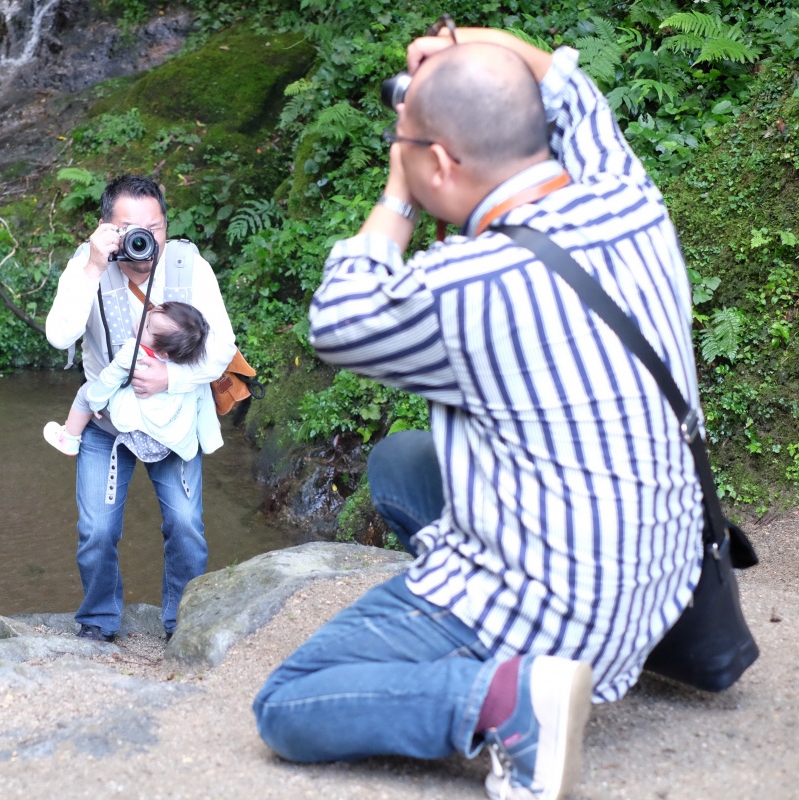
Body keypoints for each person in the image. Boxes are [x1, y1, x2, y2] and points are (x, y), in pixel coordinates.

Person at [253, 24, 705, 800]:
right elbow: (568, 82)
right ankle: (508, 638)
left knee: (288, 702)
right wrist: (463, 51)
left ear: (438, 160)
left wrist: (398, 193)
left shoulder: (466, 286)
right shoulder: (628, 199)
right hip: (664, 572)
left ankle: (507, 698)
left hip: (567, 608)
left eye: (410, 144)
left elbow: (339, 318)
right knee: (398, 464)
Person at [45, 175, 236, 643]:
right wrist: (92, 267)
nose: (143, 242)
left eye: (154, 229)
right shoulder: (86, 267)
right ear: (105, 228)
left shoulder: (190, 268)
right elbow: (58, 336)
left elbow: (222, 349)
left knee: (187, 526)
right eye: (130, 229)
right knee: (96, 530)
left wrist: (171, 377)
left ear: (166, 228)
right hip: (107, 422)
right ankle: (100, 620)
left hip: (172, 419)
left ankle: (182, 623)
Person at [43, 301, 222, 464]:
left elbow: (108, 379)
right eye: (148, 314)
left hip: (140, 436)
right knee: (199, 391)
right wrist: (210, 442)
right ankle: (211, 442)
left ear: (162, 354)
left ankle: (70, 439)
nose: (141, 322)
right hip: (172, 442)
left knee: (87, 392)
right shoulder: (191, 366)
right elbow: (205, 406)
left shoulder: (133, 353)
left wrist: (95, 403)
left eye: (147, 327)